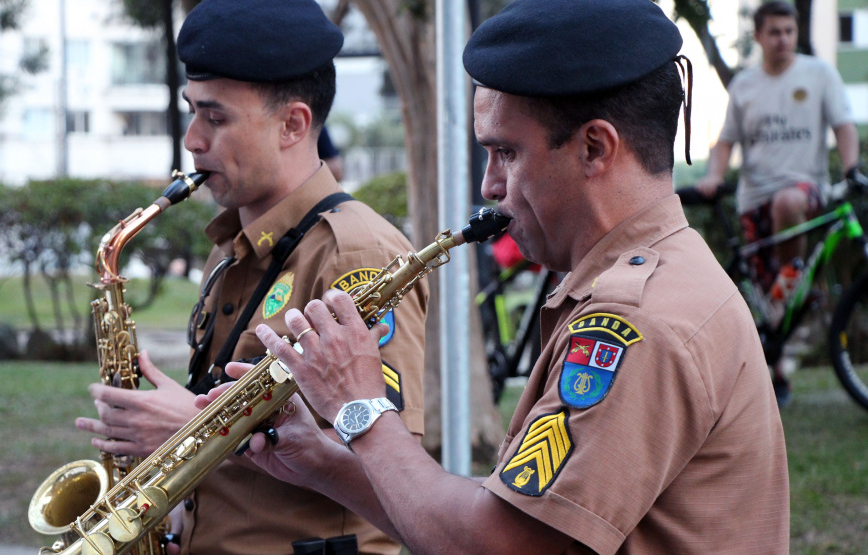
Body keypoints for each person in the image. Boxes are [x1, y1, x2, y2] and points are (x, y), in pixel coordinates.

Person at [200, 0, 791, 552]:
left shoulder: (638, 319)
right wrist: (322, 464)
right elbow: (500, 514)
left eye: (506, 152)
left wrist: (362, 409)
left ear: (594, 148)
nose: (489, 185)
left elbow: (496, 543)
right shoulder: (656, 280)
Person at [74, 1, 428, 554]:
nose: (192, 140)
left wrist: (195, 430)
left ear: (293, 124)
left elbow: (393, 473)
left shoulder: (357, 252)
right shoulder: (230, 247)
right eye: (192, 112)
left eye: (215, 119)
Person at [695, 1, 861, 404]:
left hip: (805, 190)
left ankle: (796, 273)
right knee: (767, 305)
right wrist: (714, 175)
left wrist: (851, 169)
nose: (783, 39)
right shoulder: (745, 85)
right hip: (753, 198)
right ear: (758, 36)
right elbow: (725, 142)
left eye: (789, 31)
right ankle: (778, 374)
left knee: (788, 204)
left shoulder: (819, 74)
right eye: (774, 32)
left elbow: (843, 126)